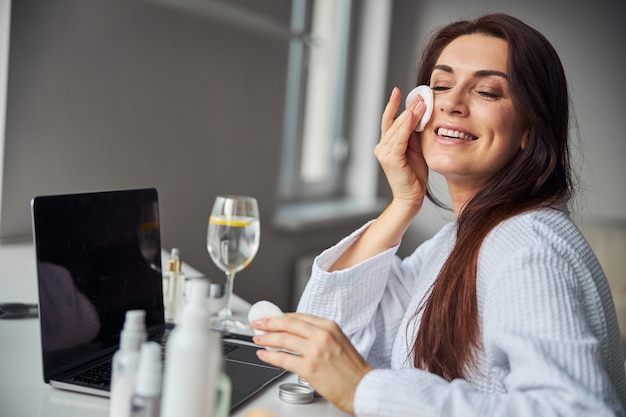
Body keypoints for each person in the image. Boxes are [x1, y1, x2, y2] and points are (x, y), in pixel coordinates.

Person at [251, 13, 626, 416]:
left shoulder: (527, 248)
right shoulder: (460, 239)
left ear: (529, 132)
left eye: (486, 91)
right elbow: (324, 344)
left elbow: (578, 410)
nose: (451, 102)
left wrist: (366, 389)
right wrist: (402, 204)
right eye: (441, 85)